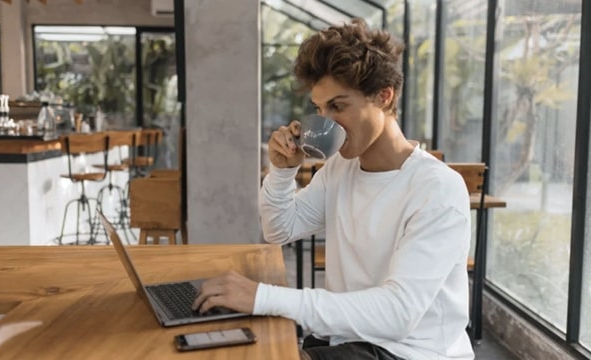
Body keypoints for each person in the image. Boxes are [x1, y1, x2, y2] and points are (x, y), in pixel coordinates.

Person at [192, 18, 475, 360]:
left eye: (338, 107)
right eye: (319, 109)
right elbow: (280, 229)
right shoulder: (342, 167)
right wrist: (283, 172)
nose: (325, 121)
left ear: (385, 97)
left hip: (410, 353)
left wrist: (262, 297)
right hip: (347, 341)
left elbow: (398, 314)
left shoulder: (438, 189)